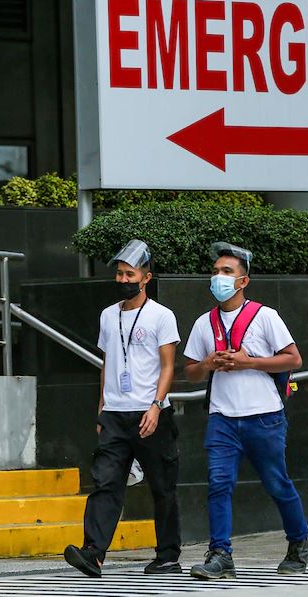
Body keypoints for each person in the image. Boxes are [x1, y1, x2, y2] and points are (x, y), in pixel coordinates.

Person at [183, 242, 308, 579]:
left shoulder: (265, 316)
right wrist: (209, 362)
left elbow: (293, 358)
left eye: (227, 272)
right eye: (215, 272)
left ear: (243, 282)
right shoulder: (204, 323)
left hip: (264, 416)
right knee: (218, 484)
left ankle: (299, 544)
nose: (218, 278)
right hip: (222, 418)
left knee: (276, 484)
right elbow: (190, 372)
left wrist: (247, 362)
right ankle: (220, 554)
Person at [64, 239, 183, 577]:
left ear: (146, 277)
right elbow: (108, 363)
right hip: (115, 414)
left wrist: (156, 406)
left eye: (130, 274)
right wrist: (102, 408)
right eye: (119, 274)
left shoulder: (162, 316)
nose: (123, 280)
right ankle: (93, 553)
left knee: (162, 486)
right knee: (106, 483)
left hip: (151, 412)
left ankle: (168, 556)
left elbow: (168, 366)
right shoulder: (107, 316)